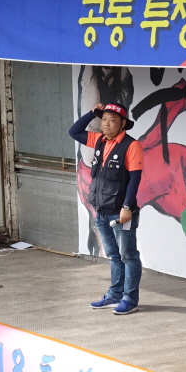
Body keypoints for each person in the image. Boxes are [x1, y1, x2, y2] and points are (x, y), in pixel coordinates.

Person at [69, 103, 144, 315]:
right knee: (114, 255)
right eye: (103, 120)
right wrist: (92, 113)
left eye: (112, 121)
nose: (106, 124)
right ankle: (115, 295)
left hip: (120, 212)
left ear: (122, 124)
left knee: (128, 256)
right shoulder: (100, 140)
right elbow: (74, 132)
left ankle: (130, 299)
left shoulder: (131, 146)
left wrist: (127, 207)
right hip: (101, 210)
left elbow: (134, 179)